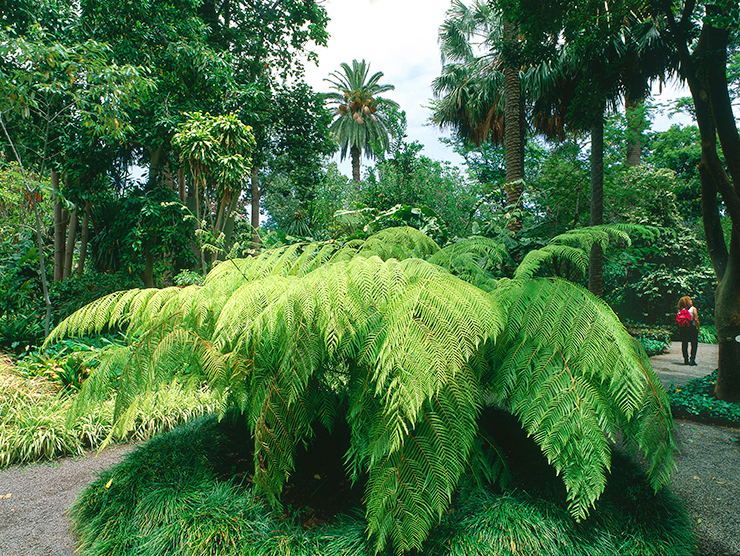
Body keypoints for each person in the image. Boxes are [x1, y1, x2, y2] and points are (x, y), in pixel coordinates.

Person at [677, 296, 700, 366]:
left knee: (684, 344)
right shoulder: (693, 309)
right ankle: (692, 360)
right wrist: (698, 328)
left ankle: (686, 360)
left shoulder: (680, 310)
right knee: (694, 344)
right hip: (692, 328)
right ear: (688, 301)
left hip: (683, 329)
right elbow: (696, 319)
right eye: (690, 300)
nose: (691, 301)